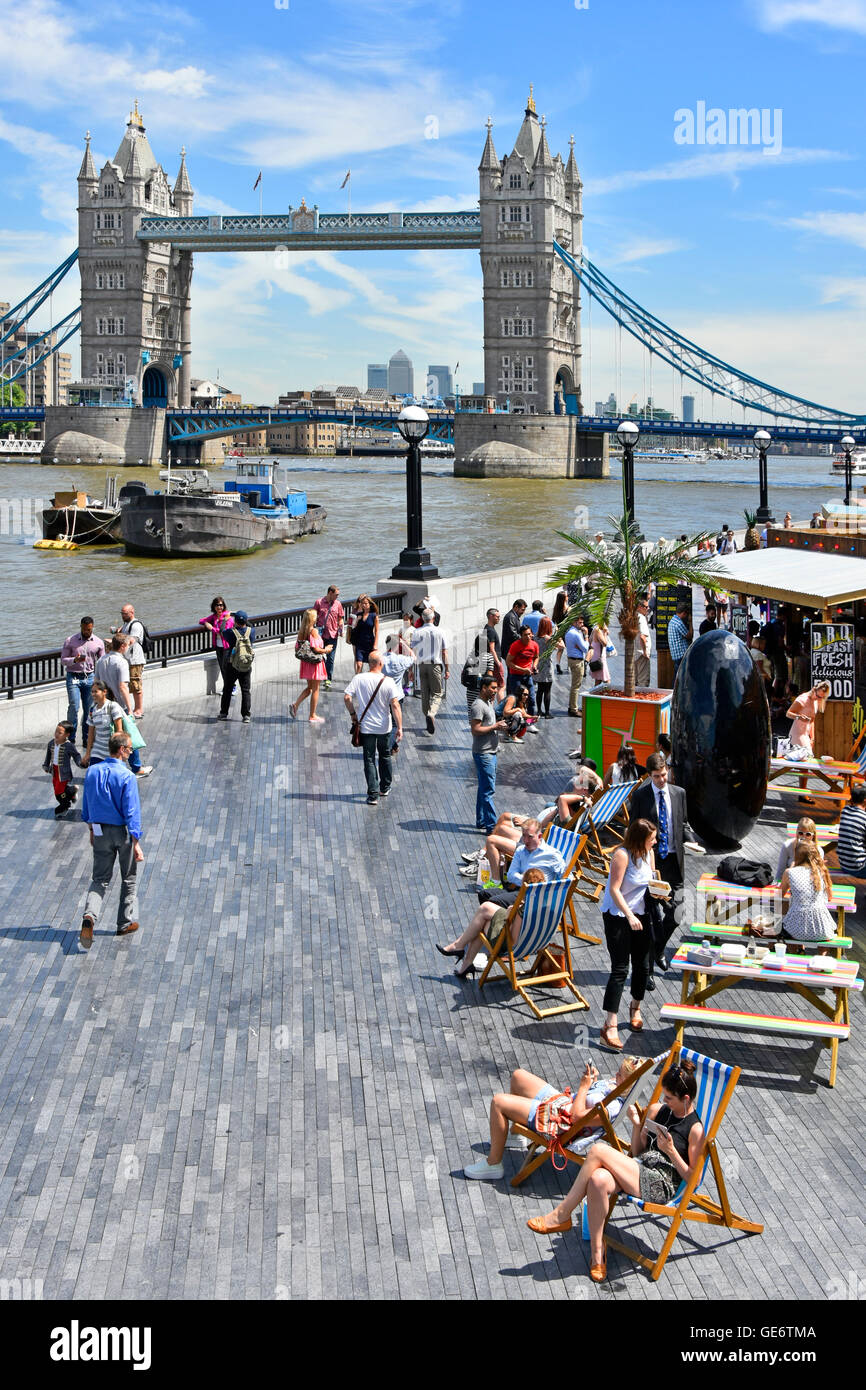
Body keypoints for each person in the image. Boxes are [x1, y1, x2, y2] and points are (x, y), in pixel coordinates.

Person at [526, 1058, 704, 1284]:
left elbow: (693, 1179)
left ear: (685, 1099)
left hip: (661, 1183)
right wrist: (638, 1126)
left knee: (599, 1150)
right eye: (664, 1096)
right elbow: (638, 1152)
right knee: (599, 1179)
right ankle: (597, 1255)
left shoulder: (695, 1129)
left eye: (669, 1098)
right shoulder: (658, 1110)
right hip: (640, 1169)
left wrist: (671, 1151)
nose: (664, 1101)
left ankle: (561, 1214)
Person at [462, 1055, 643, 1181]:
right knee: (518, 1076)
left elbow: (575, 1118)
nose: (615, 1075)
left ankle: (493, 1164)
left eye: (619, 1074)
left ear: (628, 1083)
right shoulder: (616, 1087)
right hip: (563, 1104)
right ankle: (515, 1137)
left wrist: (584, 1086)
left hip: (561, 1123)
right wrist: (592, 1081)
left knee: (498, 1102)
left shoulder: (611, 1107)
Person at [598, 818, 660, 1050]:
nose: (654, 842)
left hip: (642, 913)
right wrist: (629, 915)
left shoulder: (648, 854)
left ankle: (636, 1006)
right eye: (651, 839)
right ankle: (610, 1025)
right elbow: (614, 889)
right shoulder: (621, 855)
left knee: (643, 965)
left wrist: (662, 892)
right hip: (618, 915)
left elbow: (652, 881)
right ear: (639, 839)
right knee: (620, 968)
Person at [79, 731, 144, 950]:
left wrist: (90, 827)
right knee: (128, 878)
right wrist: (136, 840)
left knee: (99, 878)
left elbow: (87, 804)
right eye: (130, 749)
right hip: (122, 832)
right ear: (123, 750)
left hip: (99, 830)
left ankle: (90, 915)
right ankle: (124, 923)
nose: (130, 752)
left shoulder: (92, 772)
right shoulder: (126, 776)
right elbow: (131, 810)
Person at [629, 753, 691, 972]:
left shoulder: (679, 793)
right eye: (656, 777)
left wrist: (692, 842)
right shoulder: (640, 796)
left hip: (675, 862)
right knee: (654, 916)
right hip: (653, 865)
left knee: (678, 913)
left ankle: (657, 949)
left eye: (664, 775)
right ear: (649, 776)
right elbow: (633, 831)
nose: (662, 780)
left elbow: (682, 824)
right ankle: (647, 969)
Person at [435, 868, 547, 981]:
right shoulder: (548, 906)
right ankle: (464, 961)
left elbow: (513, 940)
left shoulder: (522, 911)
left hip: (512, 945)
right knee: (485, 910)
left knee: (482, 918)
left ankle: (459, 949)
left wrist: (509, 916)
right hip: (535, 943)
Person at [344, 650, 402, 805]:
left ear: (369, 663)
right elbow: (395, 705)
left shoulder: (359, 678)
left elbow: (347, 697)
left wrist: (353, 714)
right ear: (381, 664)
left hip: (366, 728)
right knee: (385, 755)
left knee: (369, 759)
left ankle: (373, 794)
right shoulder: (388, 681)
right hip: (384, 727)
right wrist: (400, 727)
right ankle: (385, 787)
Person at [479, 819, 566, 908]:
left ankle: (503, 920)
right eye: (524, 836)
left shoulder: (552, 855)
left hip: (536, 896)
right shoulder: (521, 850)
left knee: (493, 902)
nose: (525, 840)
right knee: (484, 894)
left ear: (539, 836)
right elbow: (510, 875)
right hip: (520, 889)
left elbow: (566, 877)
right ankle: (501, 920)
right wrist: (527, 880)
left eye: (530, 837)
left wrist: (545, 887)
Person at [469, 674, 507, 832]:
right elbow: (475, 730)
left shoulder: (488, 702)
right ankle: (491, 826)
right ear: (483, 688)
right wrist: (495, 727)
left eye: (496, 688)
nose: (495, 691)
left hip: (490, 752)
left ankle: (482, 820)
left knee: (483, 788)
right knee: (488, 790)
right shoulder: (478, 706)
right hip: (484, 754)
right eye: (492, 688)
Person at [60, 616, 105, 744]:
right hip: (73, 676)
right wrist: (74, 660)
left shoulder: (98, 642)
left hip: (89, 677)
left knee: (89, 709)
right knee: (74, 706)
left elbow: (101, 662)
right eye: (85, 630)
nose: (87, 632)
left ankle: (87, 738)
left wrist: (100, 680)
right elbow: (63, 660)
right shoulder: (70, 641)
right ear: (81, 627)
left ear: (93, 627)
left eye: (89, 630)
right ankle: (71, 738)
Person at [779, 843, 837, 941]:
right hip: (822, 928)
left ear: (796, 856)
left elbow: (780, 894)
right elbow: (830, 896)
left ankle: (797, 951)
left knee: (785, 928)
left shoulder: (789, 872)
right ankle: (822, 954)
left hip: (796, 929)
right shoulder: (821, 871)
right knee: (824, 935)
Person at [410, 608, 450, 735]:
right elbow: (444, 652)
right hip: (435, 665)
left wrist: (411, 669)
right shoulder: (440, 631)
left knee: (424, 693)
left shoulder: (417, 632)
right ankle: (431, 714)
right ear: (433, 618)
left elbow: (413, 652)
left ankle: (427, 714)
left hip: (422, 665)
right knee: (437, 693)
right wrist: (447, 669)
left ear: (422, 618)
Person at [291, 608, 331, 724]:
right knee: (316, 689)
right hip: (315, 663)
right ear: (312, 619)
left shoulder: (302, 631)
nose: (317, 617)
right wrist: (326, 650)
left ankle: (295, 705)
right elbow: (316, 648)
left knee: (309, 688)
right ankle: (312, 715)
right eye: (316, 616)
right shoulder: (313, 631)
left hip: (306, 663)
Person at [218, 610, 255, 722]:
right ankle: (246, 715)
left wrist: (225, 620)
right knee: (245, 690)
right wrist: (244, 620)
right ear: (246, 620)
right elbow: (250, 625)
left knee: (228, 689)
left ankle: (224, 713)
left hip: (232, 664)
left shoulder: (231, 632)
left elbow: (221, 631)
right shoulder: (251, 632)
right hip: (246, 664)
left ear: (235, 621)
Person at [43, 720, 83, 817]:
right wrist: (46, 765)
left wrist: (81, 763)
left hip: (63, 773)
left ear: (67, 735)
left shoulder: (69, 745)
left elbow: (76, 756)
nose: (56, 734)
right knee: (58, 788)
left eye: (60, 733)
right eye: (56, 731)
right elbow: (48, 755)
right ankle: (72, 791)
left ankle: (65, 806)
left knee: (58, 792)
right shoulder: (51, 743)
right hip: (54, 771)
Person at [382, 635, 415, 752]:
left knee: (385, 720)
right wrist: (404, 644)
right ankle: (389, 747)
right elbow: (413, 657)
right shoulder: (401, 660)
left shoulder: (380, 659)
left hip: (382, 695)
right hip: (397, 695)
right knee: (395, 724)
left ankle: (392, 745)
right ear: (397, 646)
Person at [786, 681, 831, 755]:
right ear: (814, 690)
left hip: (805, 735)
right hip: (796, 734)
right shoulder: (802, 699)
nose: (819, 699)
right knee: (808, 757)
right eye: (818, 696)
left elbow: (812, 721)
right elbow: (788, 713)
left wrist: (812, 738)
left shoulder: (815, 701)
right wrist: (798, 717)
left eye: (822, 697)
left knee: (807, 759)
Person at [832, 783, 866, 878]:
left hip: (844, 864)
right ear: (865, 801)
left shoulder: (845, 811)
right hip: (858, 867)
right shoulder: (864, 818)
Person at [118, 604, 146, 718]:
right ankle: (133, 708)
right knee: (130, 684)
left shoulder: (136, 625)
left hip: (135, 660)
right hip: (127, 659)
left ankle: (139, 709)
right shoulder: (126, 624)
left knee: (136, 684)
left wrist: (116, 642)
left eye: (125, 613)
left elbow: (131, 640)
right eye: (122, 613)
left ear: (132, 612)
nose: (123, 616)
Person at [199, 597, 234, 688]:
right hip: (218, 646)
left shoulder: (228, 617)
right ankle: (227, 687)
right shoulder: (214, 617)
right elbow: (201, 621)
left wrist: (212, 628)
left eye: (221, 605)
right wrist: (206, 623)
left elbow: (224, 631)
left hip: (227, 646)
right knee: (222, 668)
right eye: (217, 605)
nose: (219, 607)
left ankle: (232, 686)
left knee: (226, 667)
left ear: (224, 606)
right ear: (214, 607)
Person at [313, 586, 344, 688]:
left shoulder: (338, 604)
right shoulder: (319, 602)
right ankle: (322, 674)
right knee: (321, 656)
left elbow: (340, 618)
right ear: (330, 593)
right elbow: (313, 617)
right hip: (321, 635)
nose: (338, 596)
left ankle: (328, 679)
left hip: (332, 635)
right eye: (336, 594)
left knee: (330, 658)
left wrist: (341, 629)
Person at [506, 624, 539, 715]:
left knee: (531, 699)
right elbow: (508, 662)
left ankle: (529, 721)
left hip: (528, 676)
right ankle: (518, 721)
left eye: (529, 634)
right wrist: (522, 669)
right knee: (517, 700)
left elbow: (536, 657)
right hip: (515, 676)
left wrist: (534, 666)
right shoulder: (515, 646)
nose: (528, 637)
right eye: (525, 635)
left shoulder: (534, 645)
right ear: (521, 635)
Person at [96, 633, 133, 714]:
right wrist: (130, 709)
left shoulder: (100, 660)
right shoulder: (122, 662)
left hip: (103, 703)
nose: (128, 648)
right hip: (119, 706)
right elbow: (123, 687)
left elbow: (96, 682)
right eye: (128, 645)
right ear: (123, 646)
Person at [564, 615, 589, 716]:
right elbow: (585, 648)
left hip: (571, 659)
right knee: (576, 686)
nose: (582, 625)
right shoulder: (576, 634)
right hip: (577, 661)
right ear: (574, 622)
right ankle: (573, 709)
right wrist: (586, 636)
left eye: (582, 623)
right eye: (580, 623)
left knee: (574, 685)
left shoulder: (569, 632)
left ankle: (572, 706)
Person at [349, 595, 379, 673]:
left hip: (369, 643)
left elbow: (376, 631)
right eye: (362, 603)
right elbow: (353, 628)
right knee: (359, 664)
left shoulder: (374, 616)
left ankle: (370, 682)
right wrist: (357, 621)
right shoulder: (359, 615)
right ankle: (357, 681)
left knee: (371, 665)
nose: (364, 605)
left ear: (370, 604)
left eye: (366, 603)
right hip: (359, 643)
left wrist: (375, 645)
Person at [534, 617, 555, 717]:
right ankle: (547, 712)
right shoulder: (548, 639)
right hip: (547, 666)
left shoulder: (535, 638)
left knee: (540, 690)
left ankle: (538, 710)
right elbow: (562, 646)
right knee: (547, 691)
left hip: (538, 665)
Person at [666, 601, 692, 673]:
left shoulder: (673, 620)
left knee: (677, 676)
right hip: (681, 654)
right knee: (681, 677)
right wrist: (690, 622)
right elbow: (689, 635)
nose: (687, 616)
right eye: (686, 614)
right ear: (683, 613)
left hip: (675, 654)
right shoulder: (678, 623)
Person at [500, 599, 527, 664]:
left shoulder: (514, 616)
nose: (523, 612)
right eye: (522, 609)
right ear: (516, 607)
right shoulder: (510, 617)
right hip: (510, 651)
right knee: (512, 672)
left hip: (512, 650)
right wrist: (525, 640)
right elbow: (513, 634)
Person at [635, 593, 652, 687]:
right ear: (639, 607)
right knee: (643, 681)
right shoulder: (641, 618)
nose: (647, 609)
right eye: (645, 607)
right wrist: (645, 652)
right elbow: (642, 636)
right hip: (641, 654)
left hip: (635, 653)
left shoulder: (634, 616)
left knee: (636, 680)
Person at [588, 621, 611, 685]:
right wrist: (605, 633)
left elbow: (590, 641)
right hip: (599, 658)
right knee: (607, 681)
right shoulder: (598, 630)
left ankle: (593, 694)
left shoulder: (595, 629)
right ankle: (607, 694)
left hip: (596, 656)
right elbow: (604, 643)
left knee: (598, 680)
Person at [551, 589, 569, 672]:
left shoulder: (556, 608)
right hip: (568, 631)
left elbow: (553, 621)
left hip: (559, 631)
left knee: (560, 649)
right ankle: (569, 667)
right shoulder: (568, 609)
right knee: (569, 648)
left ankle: (558, 663)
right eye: (566, 596)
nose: (568, 597)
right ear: (564, 598)